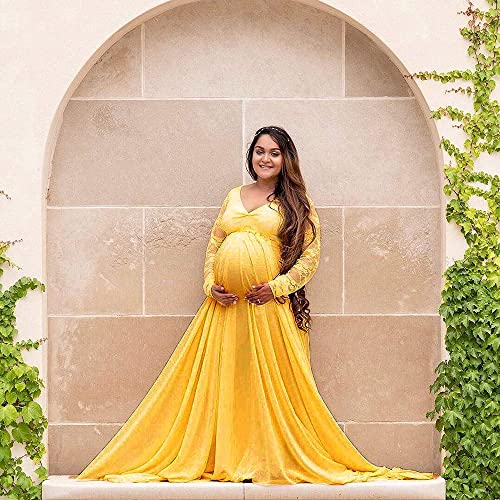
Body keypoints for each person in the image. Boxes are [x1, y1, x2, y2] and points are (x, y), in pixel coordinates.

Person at [75, 125, 435, 485]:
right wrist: (209, 286)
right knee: (226, 381)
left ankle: (264, 458)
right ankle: (228, 455)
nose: (265, 158)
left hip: (267, 309)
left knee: (268, 385)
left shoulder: (295, 202)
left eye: (274, 152)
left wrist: (277, 287)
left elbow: (310, 255)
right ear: (251, 156)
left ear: (285, 159)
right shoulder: (234, 195)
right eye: (260, 151)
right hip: (225, 310)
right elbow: (214, 246)